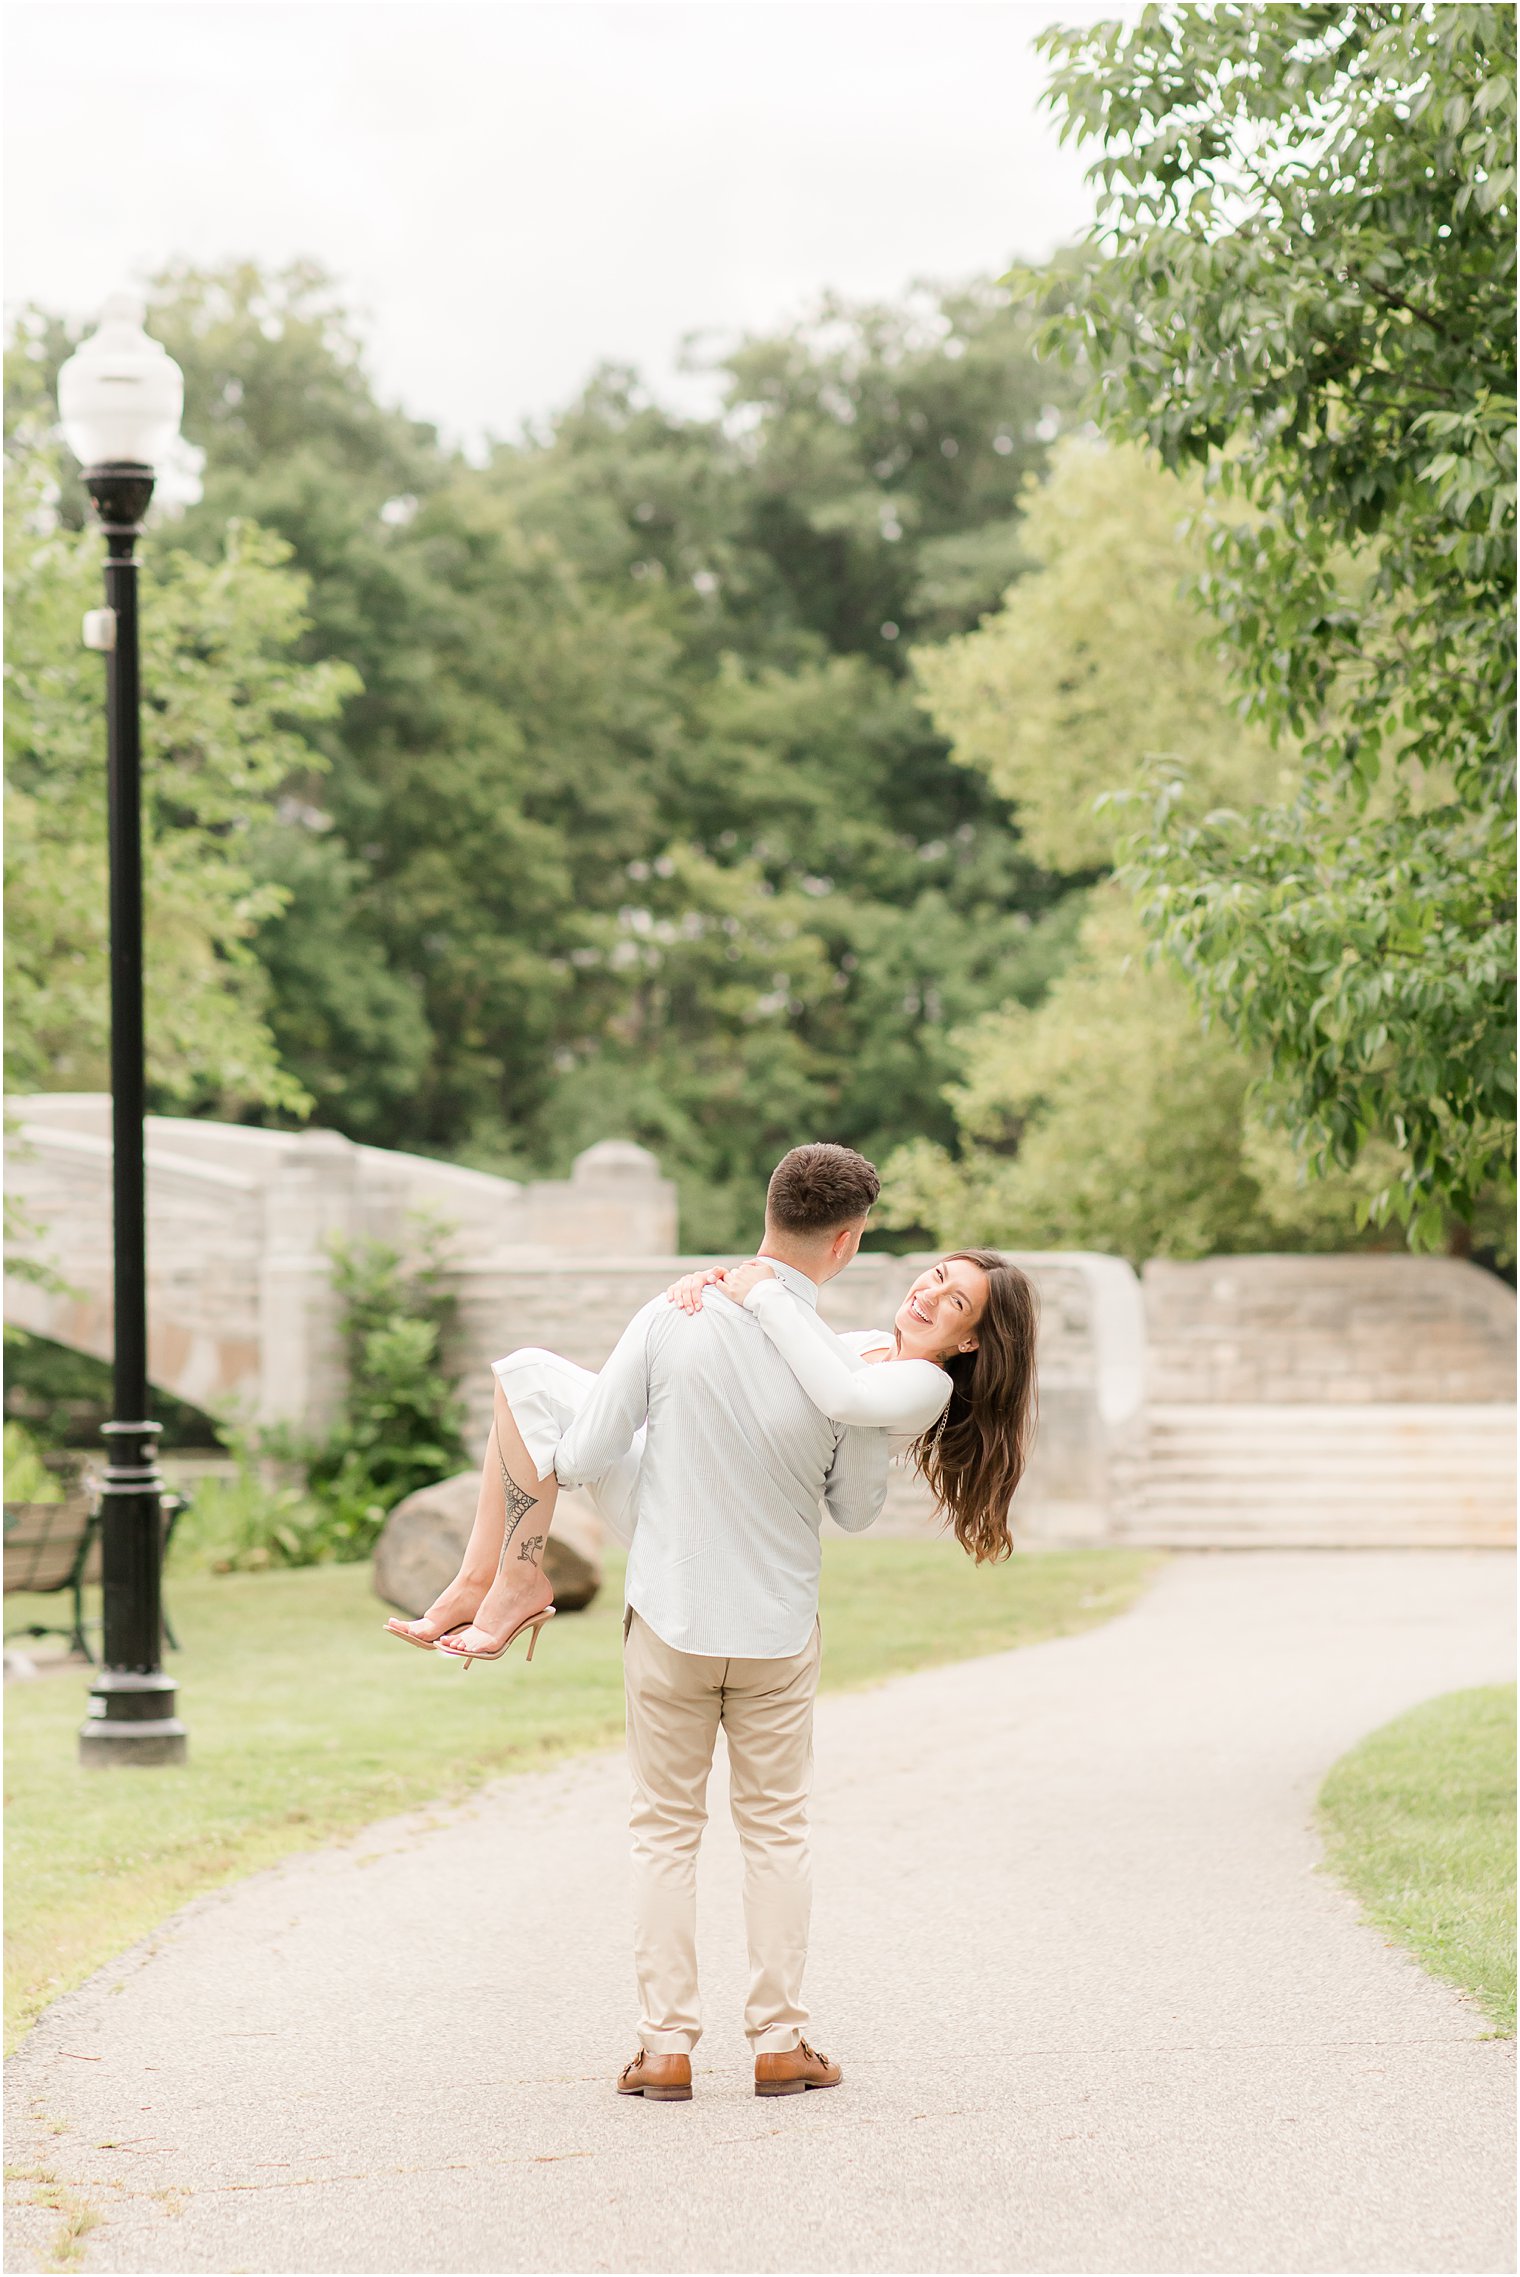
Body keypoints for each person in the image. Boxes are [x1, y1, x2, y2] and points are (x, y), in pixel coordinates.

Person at [384, 1142, 1039, 2096]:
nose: (931, 1298)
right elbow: (852, 1509)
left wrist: (719, 1324)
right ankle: (778, 2038)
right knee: (774, 1833)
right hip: (770, 1625)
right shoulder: (852, 1360)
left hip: (675, 1611)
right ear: (851, 1244)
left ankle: (666, 2047)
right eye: (934, 1281)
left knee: (666, 1832)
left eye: (953, 1301)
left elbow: (594, 1445)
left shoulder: (716, 1322)